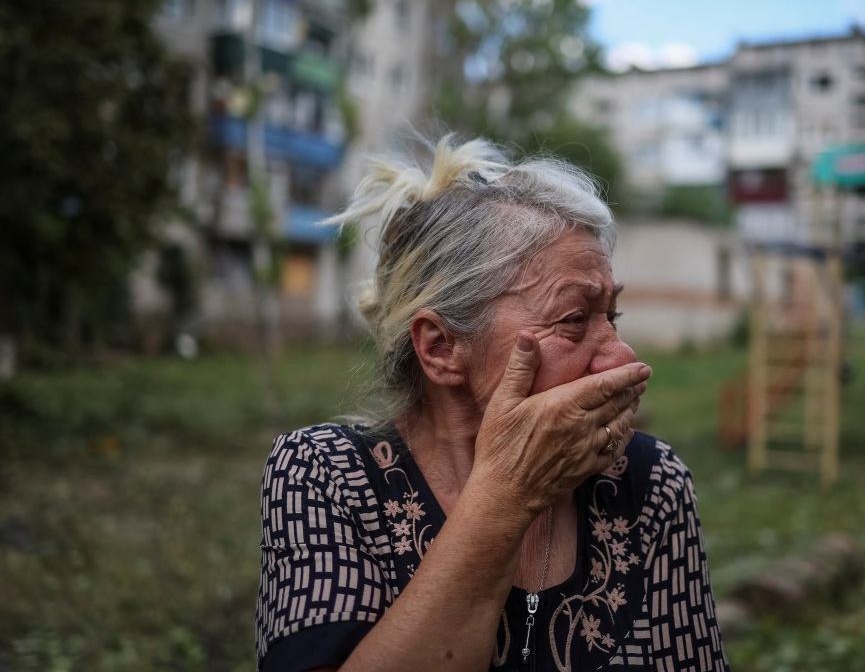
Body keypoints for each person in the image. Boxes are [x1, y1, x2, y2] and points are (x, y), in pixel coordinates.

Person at [256, 135, 730, 672]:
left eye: (612, 318)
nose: (621, 357)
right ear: (441, 349)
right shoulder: (326, 473)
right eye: (573, 319)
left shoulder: (650, 486)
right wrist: (506, 494)